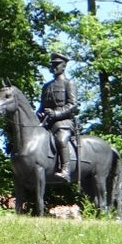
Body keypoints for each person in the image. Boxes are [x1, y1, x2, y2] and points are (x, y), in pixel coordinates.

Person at [38, 52, 78, 182]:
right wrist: (40, 114)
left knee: (61, 140)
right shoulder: (46, 86)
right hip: (47, 124)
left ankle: (65, 169)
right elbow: (41, 107)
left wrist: (56, 113)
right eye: (52, 65)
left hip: (64, 123)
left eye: (56, 65)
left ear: (64, 66)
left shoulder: (69, 83)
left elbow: (72, 105)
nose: (53, 67)